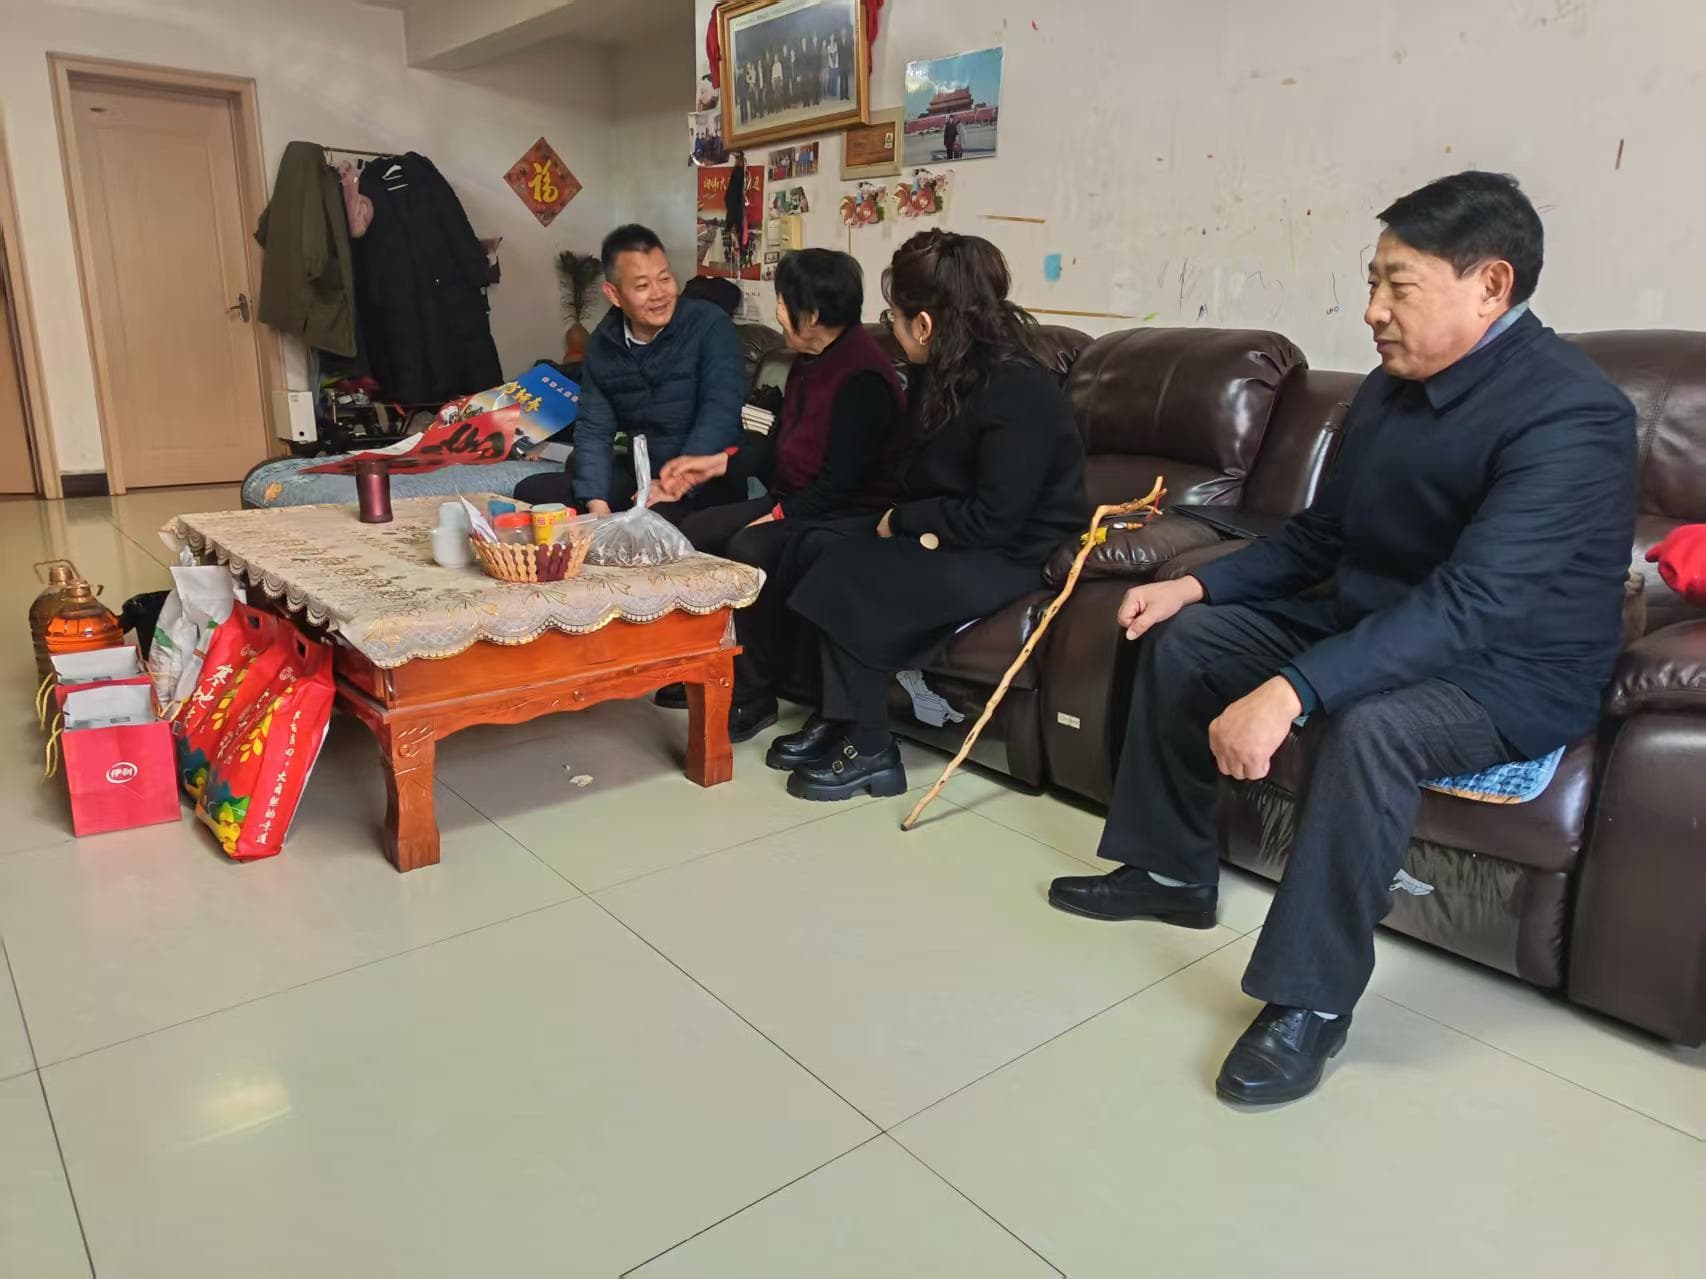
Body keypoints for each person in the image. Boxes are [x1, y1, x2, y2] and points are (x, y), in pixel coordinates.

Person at [1046, 171, 1638, 1106]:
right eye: (1372, 282)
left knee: (1374, 728)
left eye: (1399, 286)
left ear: (1490, 285)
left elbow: (1474, 602)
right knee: (1190, 640)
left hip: (1509, 665)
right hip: (1375, 616)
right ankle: (1168, 868)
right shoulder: (1389, 392)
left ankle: (1310, 1001)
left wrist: (1294, 688)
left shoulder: (1573, 414)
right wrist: (1196, 582)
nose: (1372, 311)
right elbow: (1322, 537)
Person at [767, 230, 1089, 801]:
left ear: (924, 325)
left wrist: (904, 523)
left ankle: (872, 749)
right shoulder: (944, 374)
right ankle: (839, 715)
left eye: (892, 317)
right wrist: (908, 518)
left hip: (1014, 552)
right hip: (951, 527)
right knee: (810, 543)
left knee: (849, 571)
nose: (889, 329)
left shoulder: (1019, 391)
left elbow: (996, 518)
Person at [657, 249, 906, 742]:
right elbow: (778, 447)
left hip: (849, 511)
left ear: (809, 314)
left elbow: (841, 485)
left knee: (750, 547)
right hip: (798, 496)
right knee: (694, 530)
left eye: (782, 301)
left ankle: (752, 695)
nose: (776, 311)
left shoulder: (863, 377)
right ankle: (706, 666)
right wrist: (717, 464)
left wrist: (775, 514)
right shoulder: (808, 361)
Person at [515, 224, 744, 517]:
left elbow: (720, 411)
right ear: (614, 294)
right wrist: (596, 505)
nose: (659, 294)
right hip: (643, 477)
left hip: (704, 482)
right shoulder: (603, 344)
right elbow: (594, 429)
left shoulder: (709, 325)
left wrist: (677, 483)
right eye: (642, 286)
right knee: (535, 492)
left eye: (665, 278)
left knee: (656, 524)